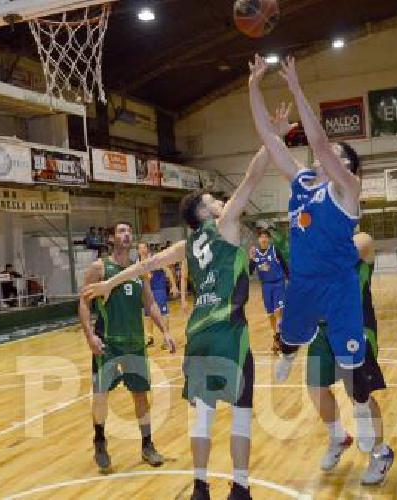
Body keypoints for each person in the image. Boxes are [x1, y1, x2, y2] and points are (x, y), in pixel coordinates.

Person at [82, 105, 288, 499]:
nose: (218, 202)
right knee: (240, 414)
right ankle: (240, 490)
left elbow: (148, 263)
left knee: (203, 417)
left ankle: (199, 488)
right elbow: (253, 175)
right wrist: (272, 135)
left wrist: (110, 283)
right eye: (212, 200)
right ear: (204, 212)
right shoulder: (225, 223)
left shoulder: (186, 244)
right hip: (228, 332)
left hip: (198, 337)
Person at [247, 54, 368, 377]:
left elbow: (321, 144)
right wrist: (253, 86)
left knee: (350, 365)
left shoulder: (347, 189)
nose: (329, 158)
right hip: (302, 280)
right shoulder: (301, 180)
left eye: (340, 158)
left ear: (347, 169)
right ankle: (289, 353)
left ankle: (359, 411)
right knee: (289, 338)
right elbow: (268, 138)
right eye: (330, 156)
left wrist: (297, 89)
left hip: (339, 283)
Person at [77, 222, 176, 474]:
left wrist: (164, 330)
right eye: (121, 231)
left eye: (129, 231)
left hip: (135, 343)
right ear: (111, 238)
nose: (126, 234)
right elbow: (84, 305)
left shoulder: (138, 270)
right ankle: (99, 441)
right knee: (101, 396)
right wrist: (90, 337)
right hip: (107, 343)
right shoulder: (99, 268)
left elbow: (150, 303)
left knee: (141, 395)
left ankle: (147, 445)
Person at [304, 233, 394, 485]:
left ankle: (380, 454)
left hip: (357, 327)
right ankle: (338, 437)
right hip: (322, 329)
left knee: (357, 393)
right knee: (315, 388)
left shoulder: (362, 240)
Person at [248, 228, 288, 353]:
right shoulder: (256, 254)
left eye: (266, 236)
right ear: (259, 240)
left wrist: (290, 279)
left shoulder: (275, 250)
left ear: (268, 239)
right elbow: (250, 271)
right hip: (266, 286)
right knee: (270, 314)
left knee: (278, 311)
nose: (263, 239)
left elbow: (284, 265)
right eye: (261, 237)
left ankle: (279, 337)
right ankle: (277, 335)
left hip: (278, 283)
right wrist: (251, 259)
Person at [138, 242, 180, 349]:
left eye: (143, 247)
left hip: (159, 290)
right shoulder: (138, 262)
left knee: (163, 313)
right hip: (146, 291)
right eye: (140, 248)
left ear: (147, 249)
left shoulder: (155, 259)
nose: (142, 250)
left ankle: (166, 338)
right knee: (148, 315)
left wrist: (173, 285)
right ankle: (150, 338)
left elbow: (168, 270)